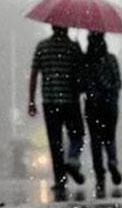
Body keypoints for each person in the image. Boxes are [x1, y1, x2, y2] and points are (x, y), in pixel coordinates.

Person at [28, 25, 86, 193]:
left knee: (55, 142)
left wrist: (31, 101)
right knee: (77, 134)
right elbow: (82, 73)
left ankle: (60, 180)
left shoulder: (42, 47)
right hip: (70, 101)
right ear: (67, 28)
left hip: (50, 102)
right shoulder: (73, 47)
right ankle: (73, 160)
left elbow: (34, 74)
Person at [83, 31, 122, 197]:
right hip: (110, 106)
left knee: (96, 140)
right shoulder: (112, 59)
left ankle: (100, 173)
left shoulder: (86, 62)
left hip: (93, 106)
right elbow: (119, 82)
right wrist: (109, 90)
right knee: (110, 137)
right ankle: (112, 161)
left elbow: (81, 85)